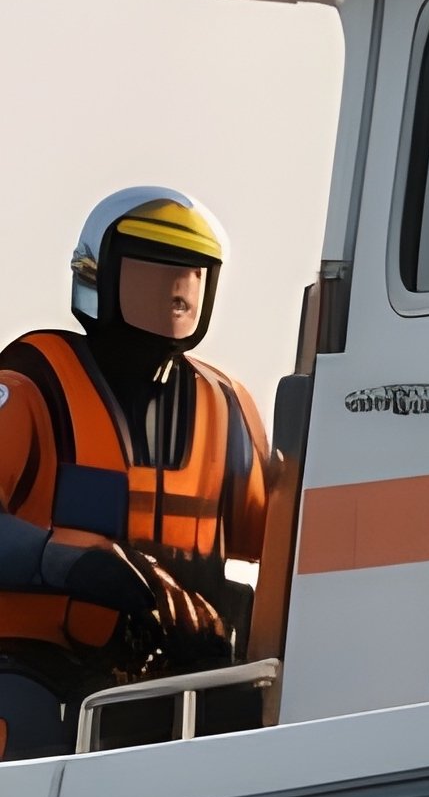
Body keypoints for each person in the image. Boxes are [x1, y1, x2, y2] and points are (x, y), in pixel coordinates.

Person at [0, 189, 270, 759]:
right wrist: (69, 561)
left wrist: (217, 621)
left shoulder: (230, 411)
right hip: (31, 666)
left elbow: (281, 555)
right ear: (98, 277)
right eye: (150, 275)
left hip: (184, 676)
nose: (174, 293)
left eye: (189, 277)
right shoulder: (31, 387)